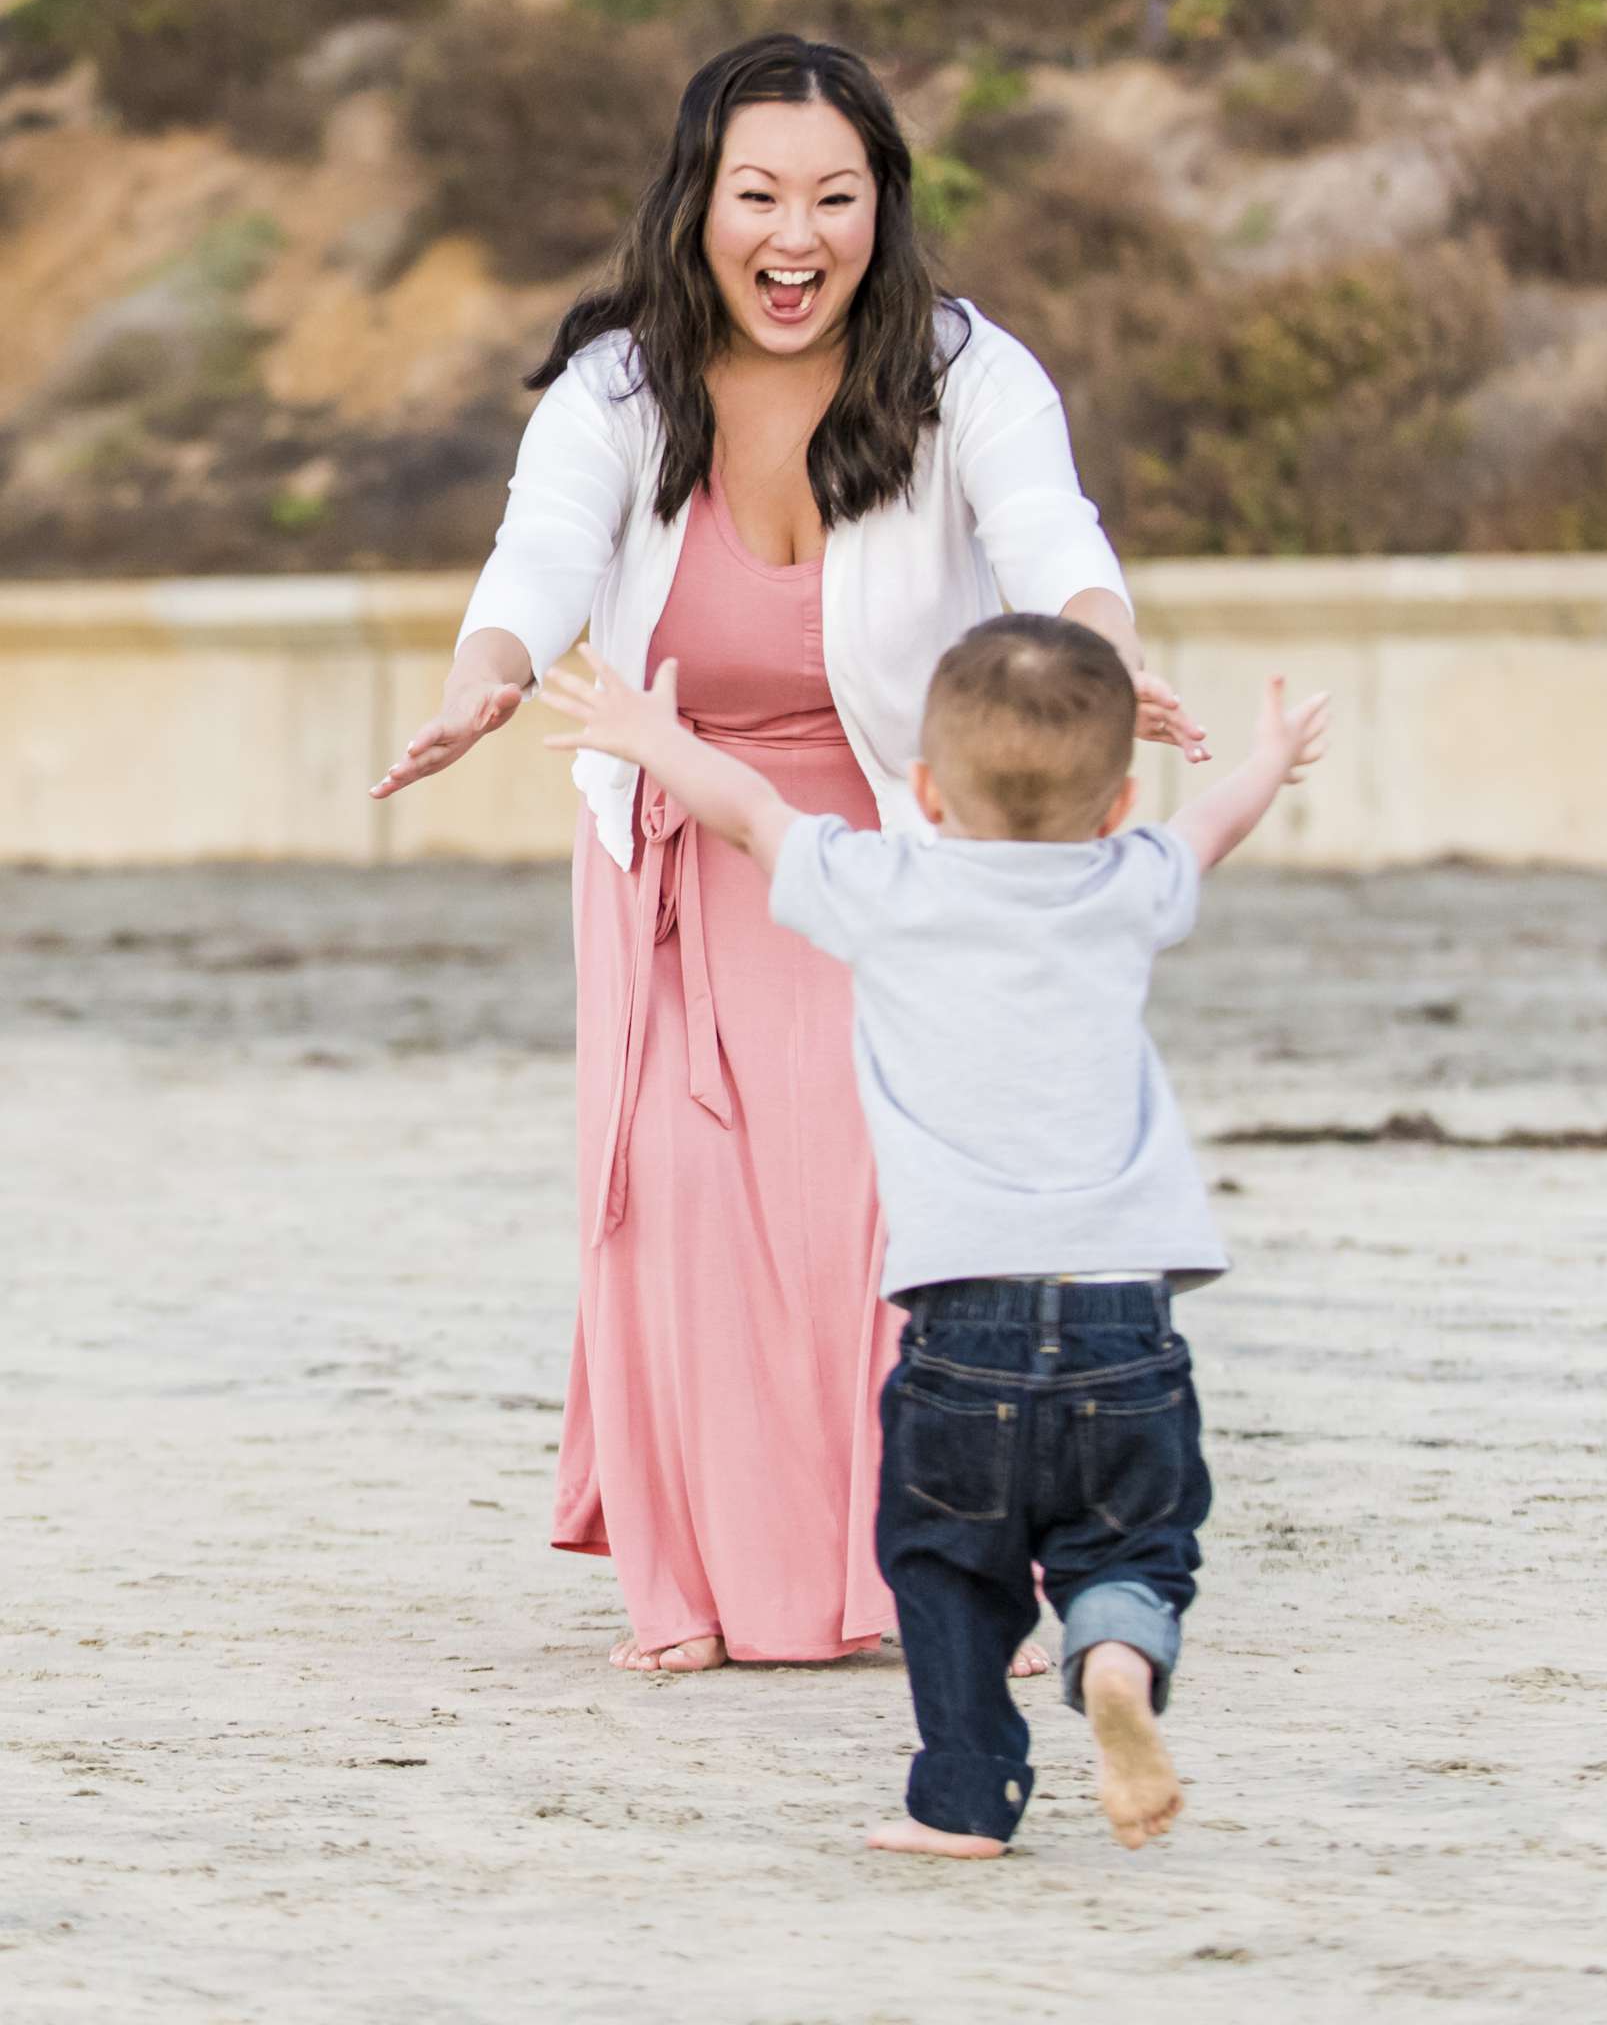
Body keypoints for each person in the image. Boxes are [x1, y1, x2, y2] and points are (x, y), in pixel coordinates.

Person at [371, 32, 1209, 1676]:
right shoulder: (621, 383)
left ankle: (963, 1568)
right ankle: (696, 1579)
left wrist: (1093, 659)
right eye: (757, 193)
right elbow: (538, 552)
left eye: (832, 197)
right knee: (674, 1213)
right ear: (699, 204)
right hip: (675, 856)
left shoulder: (965, 372)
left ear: (878, 213)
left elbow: (1053, 542)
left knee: (891, 1211)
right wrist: (486, 676)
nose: (793, 234)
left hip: (895, 859)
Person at [542, 618, 1329, 1851]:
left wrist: (651, 734)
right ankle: (1115, 1649)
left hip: (961, 1314)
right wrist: (1266, 760)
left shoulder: (887, 885)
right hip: (1125, 1311)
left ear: (919, 788)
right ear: (1118, 795)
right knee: (1131, 1536)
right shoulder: (1125, 879)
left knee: (944, 1564)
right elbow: (1207, 834)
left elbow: (748, 814)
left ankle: (964, 1801)